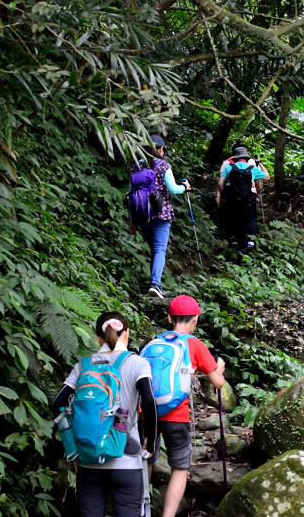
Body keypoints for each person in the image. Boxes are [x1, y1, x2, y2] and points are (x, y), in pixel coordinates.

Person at [51, 312, 157, 517]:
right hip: (126, 460)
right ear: (126, 334)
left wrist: (73, 449)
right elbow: (149, 401)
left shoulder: (83, 366)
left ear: (98, 338)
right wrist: (150, 441)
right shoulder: (137, 363)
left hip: (88, 461)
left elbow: (57, 405)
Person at [145, 295, 225, 517]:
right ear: (195, 320)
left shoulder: (154, 343)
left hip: (146, 413)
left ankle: (140, 509)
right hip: (176, 416)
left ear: (169, 318)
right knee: (179, 468)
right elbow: (218, 383)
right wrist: (219, 367)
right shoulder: (195, 344)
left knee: (146, 460)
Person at [132, 134, 191, 298]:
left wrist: (132, 221)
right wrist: (184, 188)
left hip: (142, 214)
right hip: (161, 213)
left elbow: (132, 193)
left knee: (155, 249)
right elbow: (173, 189)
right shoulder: (163, 165)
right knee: (159, 250)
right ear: (161, 149)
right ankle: (155, 284)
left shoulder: (137, 166)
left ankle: (154, 283)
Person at [216, 144, 268, 249]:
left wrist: (224, 194)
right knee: (249, 220)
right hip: (248, 200)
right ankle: (249, 242)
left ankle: (233, 240)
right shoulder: (251, 168)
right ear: (246, 157)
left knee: (234, 219)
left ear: (235, 157)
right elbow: (267, 177)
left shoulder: (229, 167)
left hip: (232, 200)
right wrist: (260, 164)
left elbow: (220, 183)